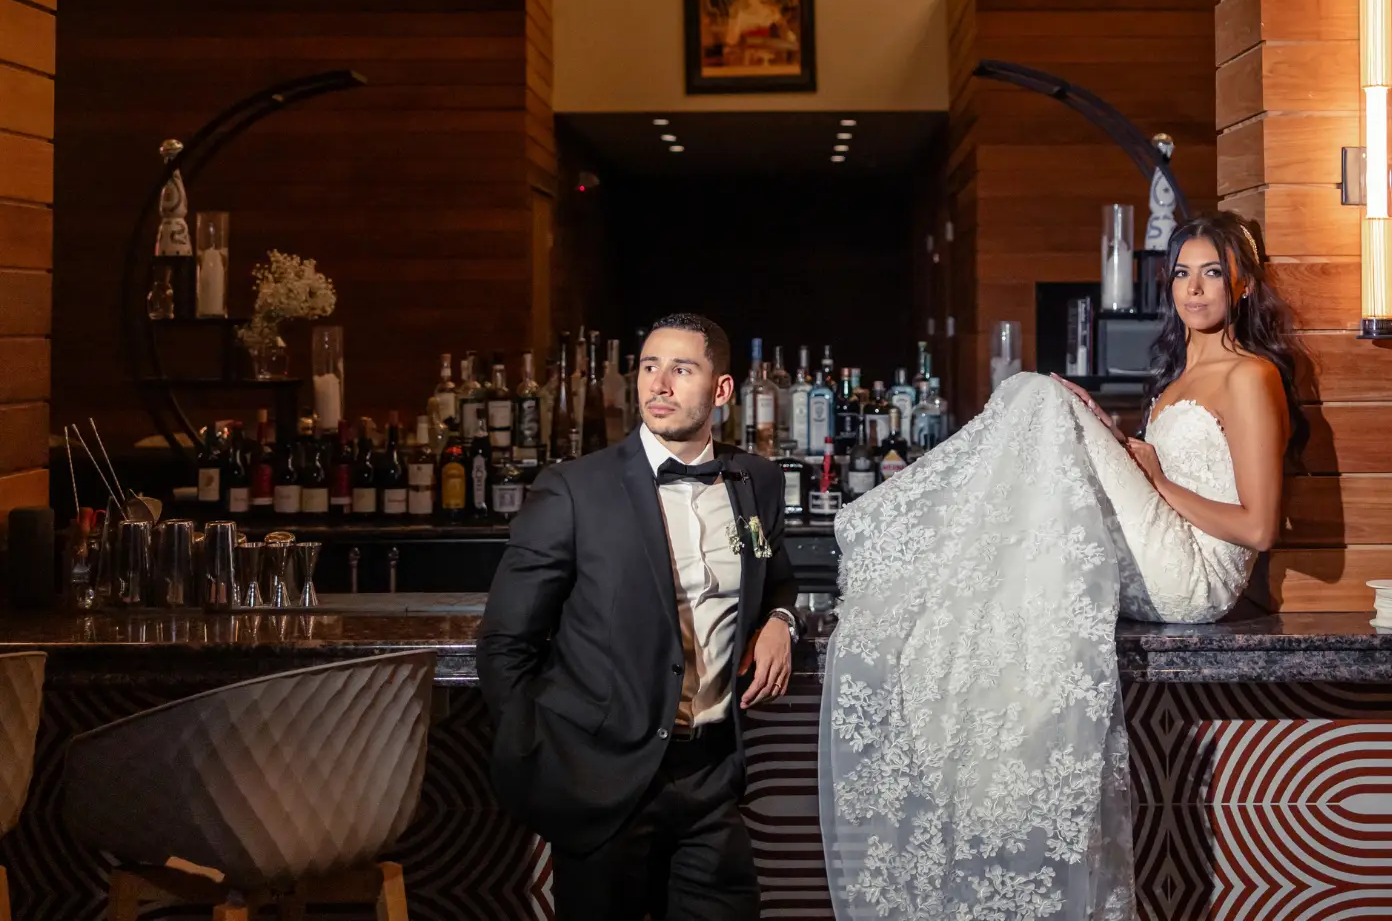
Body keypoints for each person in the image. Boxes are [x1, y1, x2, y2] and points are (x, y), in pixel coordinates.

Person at [818, 212, 1305, 920]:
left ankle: (894, 537)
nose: (1194, 289)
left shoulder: (1252, 376)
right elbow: (1156, 476)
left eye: (1212, 273)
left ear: (1245, 283)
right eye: (1182, 273)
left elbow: (1258, 526)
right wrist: (1118, 443)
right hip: (1164, 541)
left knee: (1039, 397)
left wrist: (1147, 471)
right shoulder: (1177, 376)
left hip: (1196, 577)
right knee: (1044, 405)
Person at [478, 312, 800, 921]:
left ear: (722, 390)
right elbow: (504, 643)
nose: (659, 383)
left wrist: (782, 618)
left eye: (682, 369)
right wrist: (541, 759)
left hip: (711, 776)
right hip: (603, 783)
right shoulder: (574, 488)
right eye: (650, 367)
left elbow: (777, 574)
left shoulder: (757, 480)